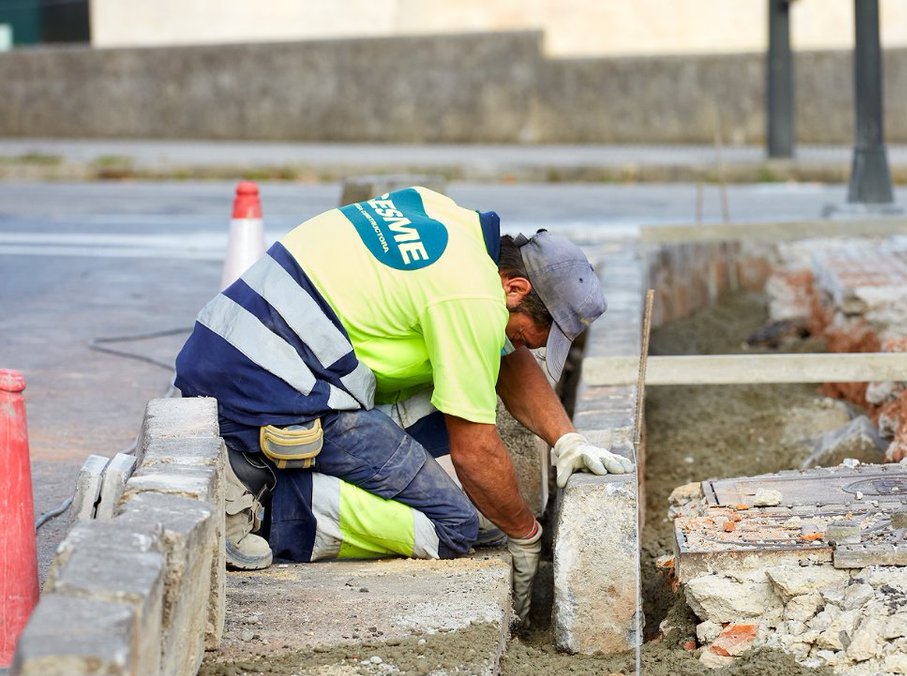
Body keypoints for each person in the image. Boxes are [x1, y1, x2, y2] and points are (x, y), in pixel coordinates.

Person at [174, 186, 632, 622]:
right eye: (538, 335)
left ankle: (267, 465)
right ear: (515, 289)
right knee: (454, 526)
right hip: (268, 386)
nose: (532, 348)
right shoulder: (470, 299)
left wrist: (566, 439)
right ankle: (263, 502)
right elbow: (475, 448)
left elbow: (506, 360)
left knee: (480, 481)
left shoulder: (453, 227)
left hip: (230, 352)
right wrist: (525, 534)